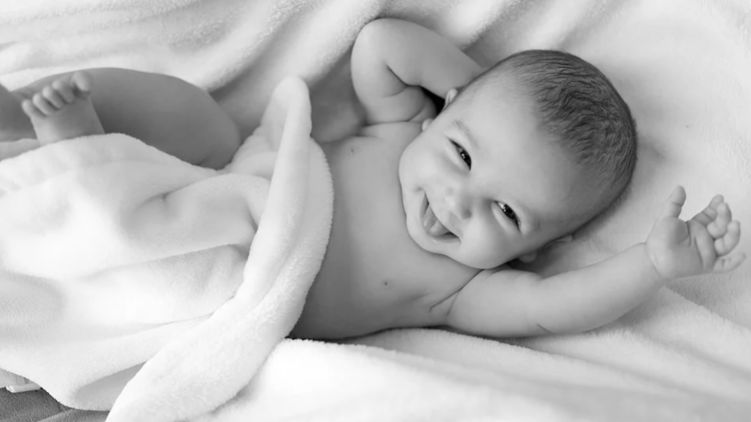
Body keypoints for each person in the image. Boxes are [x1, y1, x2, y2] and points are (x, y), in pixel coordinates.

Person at [0, 19, 743, 340]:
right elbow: (380, 44)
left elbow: (557, 309)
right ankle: (29, 115)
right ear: (441, 114)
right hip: (234, 180)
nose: (458, 200)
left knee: (166, 267)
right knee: (192, 114)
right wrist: (476, 93)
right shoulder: (399, 129)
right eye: (463, 156)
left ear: (535, 250)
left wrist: (651, 264)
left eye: (507, 213)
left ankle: (81, 162)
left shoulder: (461, 289)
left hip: (238, 282)